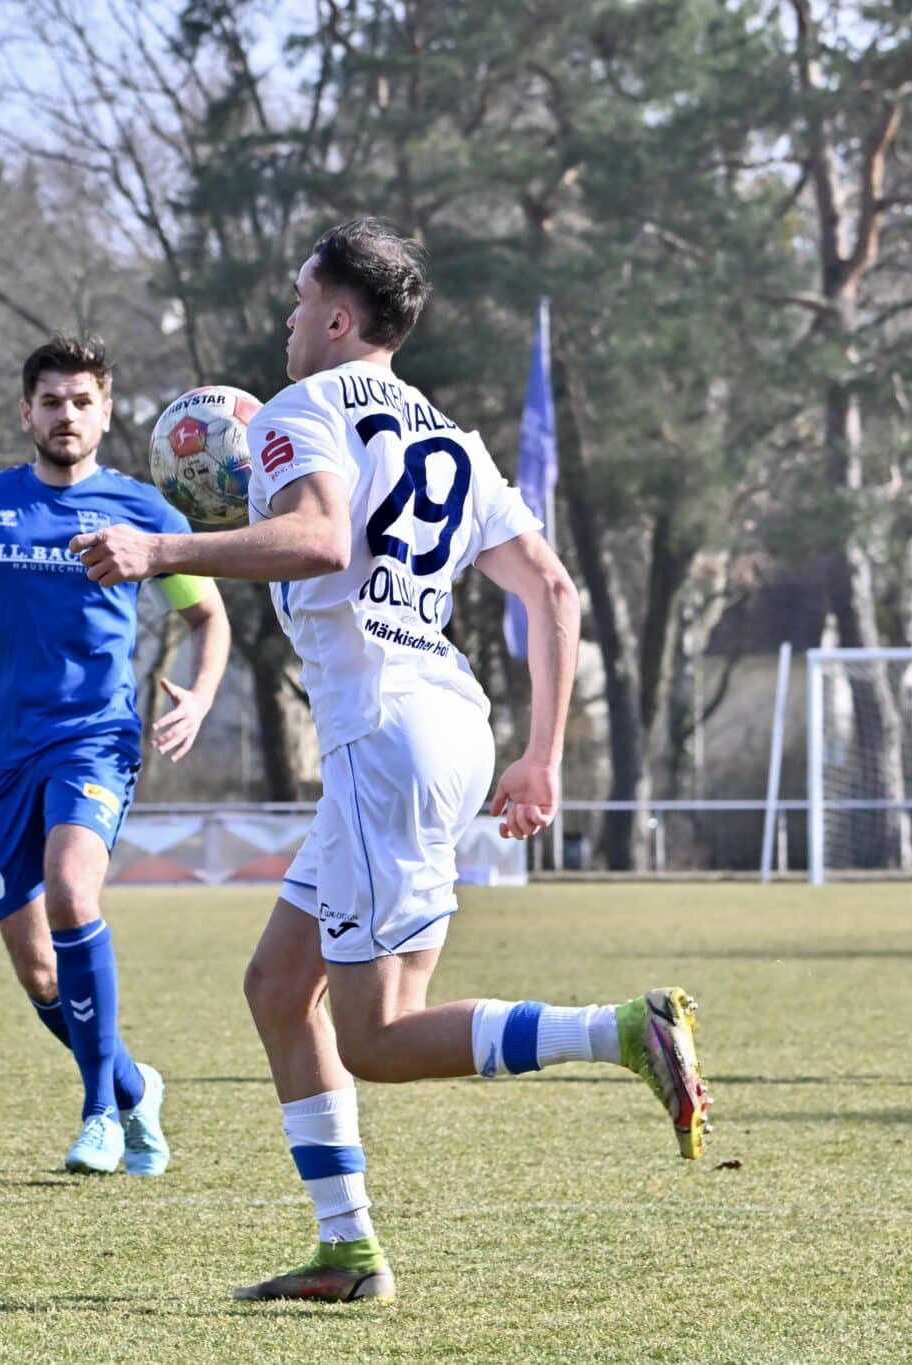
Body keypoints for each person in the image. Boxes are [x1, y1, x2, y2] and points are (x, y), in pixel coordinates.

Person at [70, 217, 712, 1303]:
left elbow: (320, 539)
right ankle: (346, 1247)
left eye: (295, 298)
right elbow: (551, 592)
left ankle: (618, 1032)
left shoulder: (298, 411)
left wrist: (160, 550)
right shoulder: (450, 437)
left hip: (385, 736)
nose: (282, 318)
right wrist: (541, 754)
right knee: (279, 987)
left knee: (375, 1034)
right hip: (440, 722)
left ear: (335, 317)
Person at [0, 334, 231, 1175]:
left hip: (93, 739)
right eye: (50, 400)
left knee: (74, 894)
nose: (65, 414)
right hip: (0, 756)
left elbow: (206, 616)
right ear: (25, 411)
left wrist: (200, 691)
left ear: (106, 412)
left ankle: (97, 1116)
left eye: (82, 401)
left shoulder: (146, 511)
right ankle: (133, 1086)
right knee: (41, 973)